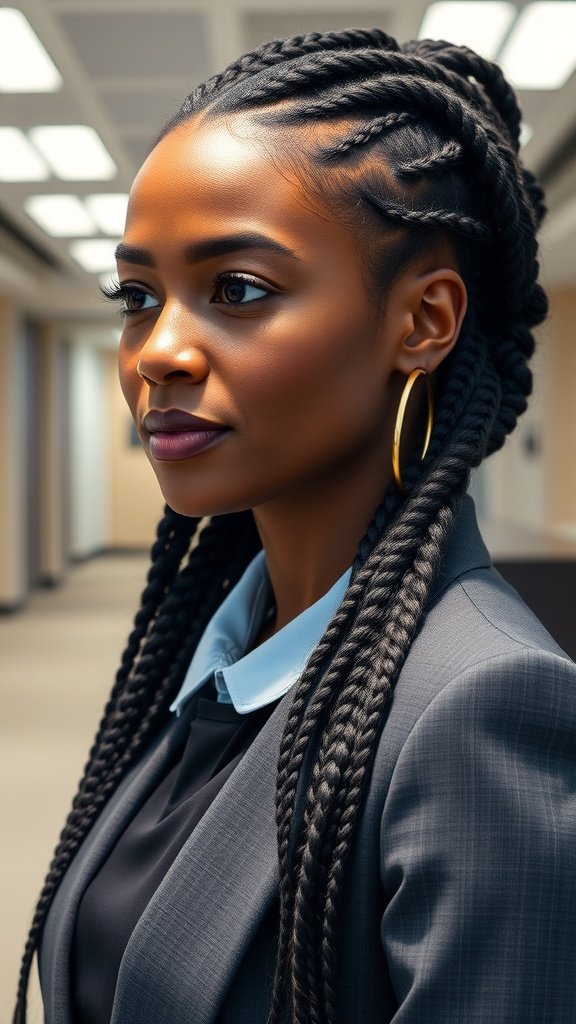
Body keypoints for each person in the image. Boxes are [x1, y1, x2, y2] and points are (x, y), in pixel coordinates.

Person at [14, 27, 576, 1024]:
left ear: (423, 322)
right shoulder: (216, 651)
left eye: (237, 289)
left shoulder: (482, 708)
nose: (158, 351)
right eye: (137, 296)